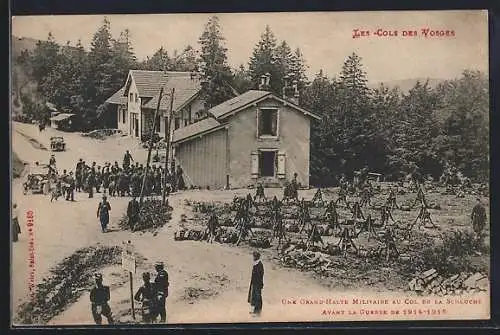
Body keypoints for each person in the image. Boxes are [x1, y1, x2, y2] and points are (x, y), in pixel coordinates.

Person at [248, 251, 264, 316]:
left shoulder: (259, 264)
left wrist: (260, 283)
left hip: (258, 283)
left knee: (258, 297)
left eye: (254, 256)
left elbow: (261, 275)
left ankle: (258, 311)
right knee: (254, 296)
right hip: (254, 283)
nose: (253, 258)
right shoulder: (256, 264)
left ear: (257, 257)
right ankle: (255, 310)